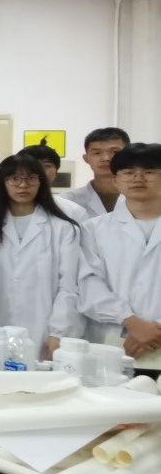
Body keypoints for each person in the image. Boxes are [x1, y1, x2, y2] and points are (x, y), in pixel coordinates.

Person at [0, 154, 82, 359]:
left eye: (31, 178)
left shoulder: (64, 228)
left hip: (43, 330)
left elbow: (69, 286)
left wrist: (58, 333)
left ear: (41, 182)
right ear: (2, 183)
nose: (23, 185)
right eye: (14, 179)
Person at [78, 143, 161, 365]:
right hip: (112, 339)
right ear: (116, 180)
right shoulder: (93, 229)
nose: (138, 178)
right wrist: (132, 322)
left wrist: (155, 329)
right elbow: (87, 283)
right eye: (128, 172)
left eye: (149, 171)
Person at [67, 127, 131, 219]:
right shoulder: (68, 201)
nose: (105, 158)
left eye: (115, 152)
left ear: (128, 156)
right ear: (86, 158)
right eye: (97, 153)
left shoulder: (146, 198)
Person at [18, 143, 87, 221]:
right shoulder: (6, 208)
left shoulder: (74, 212)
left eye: (46, 166)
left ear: (56, 172)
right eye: (32, 165)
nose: (40, 170)